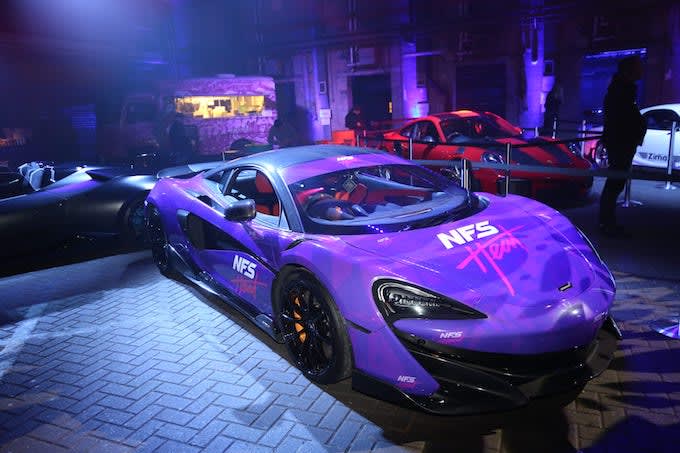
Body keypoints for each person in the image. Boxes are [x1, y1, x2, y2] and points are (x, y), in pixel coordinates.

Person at [598, 55, 647, 237]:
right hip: (621, 142)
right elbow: (622, 118)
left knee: (616, 182)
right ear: (629, 70)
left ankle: (607, 222)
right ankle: (606, 223)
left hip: (622, 141)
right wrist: (637, 128)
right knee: (615, 182)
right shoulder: (621, 91)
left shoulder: (622, 89)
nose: (641, 71)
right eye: (638, 67)